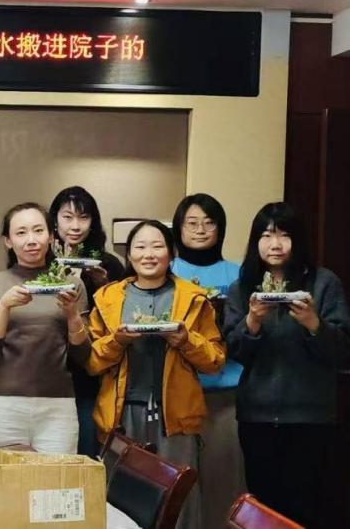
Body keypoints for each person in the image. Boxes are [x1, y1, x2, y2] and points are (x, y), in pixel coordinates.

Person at [87, 220, 225, 529]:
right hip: (121, 414)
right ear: (129, 255)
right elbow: (92, 362)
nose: (149, 254)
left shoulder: (193, 298)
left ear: (171, 253)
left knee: (180, 502)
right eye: (140, 247)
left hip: (176, 417)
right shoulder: (108, 298)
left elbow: (215, 360)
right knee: (121, 498)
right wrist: (117, 341)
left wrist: (186, 341)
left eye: (157, 246)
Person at [223, 202, 350, 528]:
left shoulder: (323, 283)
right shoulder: (243, 287)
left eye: (284, 235)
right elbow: (233, 351)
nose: (275, 244)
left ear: (298, 240)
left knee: (308, 508)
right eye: (266, 236)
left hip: (311, 418)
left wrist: (313, 324)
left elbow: (342, 352)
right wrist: (252, 321)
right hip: (257, 417)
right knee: (264, 508)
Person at [0, 202, 90, 453]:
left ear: (50, 236)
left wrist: (72, 314)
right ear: (8, 241)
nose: (31, 240)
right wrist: (4, 305)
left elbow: (82, 355)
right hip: (5, 404)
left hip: (58, 405)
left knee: (57, 477)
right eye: (21, 232)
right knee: (5, 477)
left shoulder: (71, 284)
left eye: (38, 231)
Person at [170, 193, 244, 527]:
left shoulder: (238, 273)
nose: (200, 230)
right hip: (177, 392)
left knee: (224, 481)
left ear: (220, 228)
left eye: (209, 223)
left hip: (225, 394)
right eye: (192, 223)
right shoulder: (167, 270)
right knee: (178, 484)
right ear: (179, 228)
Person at [48, 186, 124, 458]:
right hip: (47, 367)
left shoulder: (108, 263)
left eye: (83, 217)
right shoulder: (42, 260)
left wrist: (103, 286)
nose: (75, 226)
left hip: (90, 371)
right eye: (67, 217)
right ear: (54, 220)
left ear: (93, 222)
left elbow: (120, 319)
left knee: (86, 451)